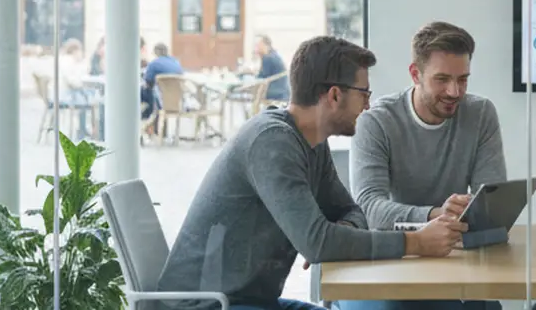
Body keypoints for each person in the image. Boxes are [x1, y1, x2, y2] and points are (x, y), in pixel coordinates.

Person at [157, 36, 467, 310]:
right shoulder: (271, 142)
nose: (368, 105)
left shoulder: (311, 143)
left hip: (250, 300)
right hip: (209, 305)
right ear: (334, 95)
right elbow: (318, 245)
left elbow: (349, 211)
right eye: (364, 94)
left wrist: (340, 232)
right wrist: (416, 243)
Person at [343, 21, 505, 310]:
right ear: (415, 74)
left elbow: (490, 198)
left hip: (452, 256)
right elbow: (369, 206)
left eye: (463, 79)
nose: (455, 91)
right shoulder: (376, 121)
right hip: (392, 258)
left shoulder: (480, 113)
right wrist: (434, 214)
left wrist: (472, 209)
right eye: (442, 79)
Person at [141, 42, 183, 119]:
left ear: (156, 52)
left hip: (160, 98)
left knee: (140, 93)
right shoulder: (176, 62)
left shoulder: (154, 63)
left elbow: (148, 82)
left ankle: (140, 118)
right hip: (176, 100)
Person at [254, 34, 290, 102]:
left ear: (265, 45)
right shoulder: (274, 54)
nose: (256, 48)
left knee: (254, 92)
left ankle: (254, 111)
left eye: (258, 45)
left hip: (274, 91)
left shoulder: (267, 57)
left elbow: (261, 77)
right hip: (284, 90)